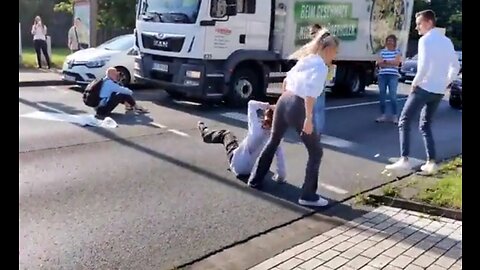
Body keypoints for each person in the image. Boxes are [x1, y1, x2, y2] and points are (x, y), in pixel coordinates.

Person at [248, 29, 340, 207]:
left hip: (285, 99)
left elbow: (286, 80)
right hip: (299, 105)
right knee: (316, 152)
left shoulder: (305, 60)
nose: (335, 56)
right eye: (335, 52)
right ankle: (308, 196)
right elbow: (311, 94)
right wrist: (308, 118)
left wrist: (282, 103)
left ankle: (255, 179)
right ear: (328, 49)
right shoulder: (321, 66)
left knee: (273, 140)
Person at [385, 10, 460, 174]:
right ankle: (431, 162)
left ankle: (404, 159)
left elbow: (424, 66)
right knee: (425, 125)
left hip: (424, 87)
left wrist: (415, 83)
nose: (417, 27)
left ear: (429, 22)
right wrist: (446, 81)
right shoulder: (446, 41)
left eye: (419, 23)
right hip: (439, 90)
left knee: (404, 120)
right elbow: (456, 66)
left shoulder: (425, 40)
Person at [197, 100, 286, 182]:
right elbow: (280, 162)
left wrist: (269, 106)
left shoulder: (256, 127)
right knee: (263, 156)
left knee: (226, 134)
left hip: (237, 165)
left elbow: (251, 104)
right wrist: (280, 178)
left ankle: (205, 133)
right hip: (253, 171)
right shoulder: (276, 138)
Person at [375, 34, 402, 124]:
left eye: (391, 41)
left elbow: (397, 63)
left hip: (393, 76)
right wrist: (390, 62)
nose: (389, 42)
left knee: (392, 96)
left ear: (394, 42)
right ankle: (383, 115)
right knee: (382, 96)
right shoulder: (382, 52)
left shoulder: (397, 52)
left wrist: (385, 61)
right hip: (382, 75)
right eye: (388, 40)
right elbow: (379, 63)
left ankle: (395, 116)